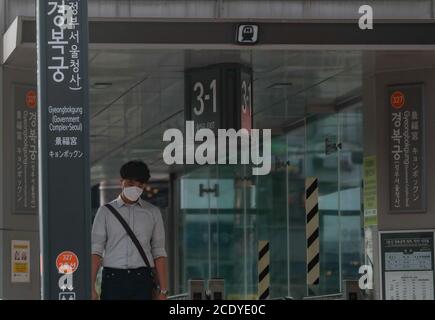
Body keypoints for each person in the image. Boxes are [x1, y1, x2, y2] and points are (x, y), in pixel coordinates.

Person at [91, 160, 168, 300]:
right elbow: (96, 251)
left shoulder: (153, 212)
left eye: (140, 185)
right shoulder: (105, 212)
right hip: (113, 279)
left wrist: (163, 291)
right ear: (122, 181)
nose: (136, 188)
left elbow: (159, 252)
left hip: (142, 279)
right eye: (131, 183)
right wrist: (91, 286)